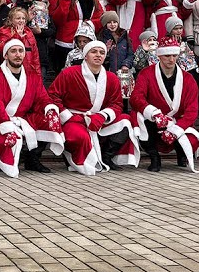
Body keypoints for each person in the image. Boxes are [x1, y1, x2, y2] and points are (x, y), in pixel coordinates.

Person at [0, 39, 63, 176]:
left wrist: (50, 108)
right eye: (13, 51)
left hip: (21, 118)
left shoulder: (32, 76)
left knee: (51, 119)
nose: (18, 55)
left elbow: (42, 97)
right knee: (5, 140)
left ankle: (32, 158)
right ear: (6, 55)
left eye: (20, 51)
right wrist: (6, 125)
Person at [50, 41, 135, 174]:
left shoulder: (111, 78)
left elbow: (117, 104)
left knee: (126, 121)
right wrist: (68, 116)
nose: (98, 55)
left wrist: (103, 116)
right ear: (85, 55)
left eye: (102, 52)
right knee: (79, 137)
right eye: (93, 52)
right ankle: (73, 156)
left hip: (98, 119)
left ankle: (106, 155)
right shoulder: (69, 73)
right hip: (74, 118)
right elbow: (53, 96)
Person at [133, 36, 199, 172]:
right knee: (138, 119)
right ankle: (154, 157)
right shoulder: (146, 74)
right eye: (167, 56)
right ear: (159, 56)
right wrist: (154, 113)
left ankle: (181, 155)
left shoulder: (188, 79)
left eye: (174, 55)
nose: (171, 60)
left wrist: (177, 129)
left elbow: (192, 110)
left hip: (177, 120)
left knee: (191, 140)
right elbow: (136, 98)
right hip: (154, 120)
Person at [51, 0, 101, 71]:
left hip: (87, 38)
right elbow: (58, 19)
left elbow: (99, 14)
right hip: (67, 40)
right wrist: (64, 0)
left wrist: (91, 24)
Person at [0, 4, 41, 80]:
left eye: (23, 18)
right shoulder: (4, 31)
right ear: (11, 20)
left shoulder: (28, 31)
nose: (21, 21)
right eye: (18, 18)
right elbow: (1, 48)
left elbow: (35, 55)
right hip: (12, 70)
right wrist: (17, 36)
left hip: (29, 70)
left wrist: (38, 75)